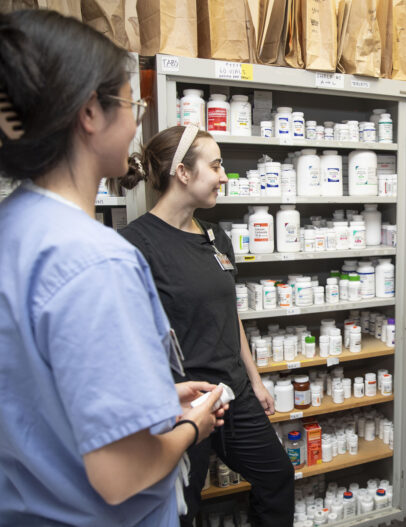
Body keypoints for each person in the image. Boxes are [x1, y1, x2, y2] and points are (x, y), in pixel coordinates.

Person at [0, 9, 226, 526]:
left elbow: (38, 393)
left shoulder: (13, 228)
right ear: (89, 114)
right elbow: (122, 473)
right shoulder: (97, 260)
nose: (136, 123)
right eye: (132, 103)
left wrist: (151, 397)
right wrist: (191, 425)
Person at [119, 125, 295, 526]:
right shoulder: (136, 244)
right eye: (215, 165)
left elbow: (230, 313)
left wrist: (254, 379)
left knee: (277, 476)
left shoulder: (215, 237)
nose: (223, 176)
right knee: (182, 505)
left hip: (232, 391)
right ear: (183, 172)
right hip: (180, 401)